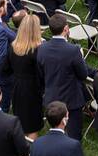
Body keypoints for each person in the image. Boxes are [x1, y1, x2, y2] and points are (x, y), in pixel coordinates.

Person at [38, 13, 92, 141]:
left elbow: (41, 74)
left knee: (54, 135)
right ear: (66, 29)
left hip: (51, 97)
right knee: (73, 137)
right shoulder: (73, 50)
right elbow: (83, 74)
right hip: (71, 100)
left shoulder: (42, 48)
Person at [8, 12, 45, 138]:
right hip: (32, 90)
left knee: (21, 121)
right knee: (32, 125)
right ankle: (29, 155)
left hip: (17, 87)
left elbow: (5, 68)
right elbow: (42, 73)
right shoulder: (37, 51)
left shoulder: (13, 46)